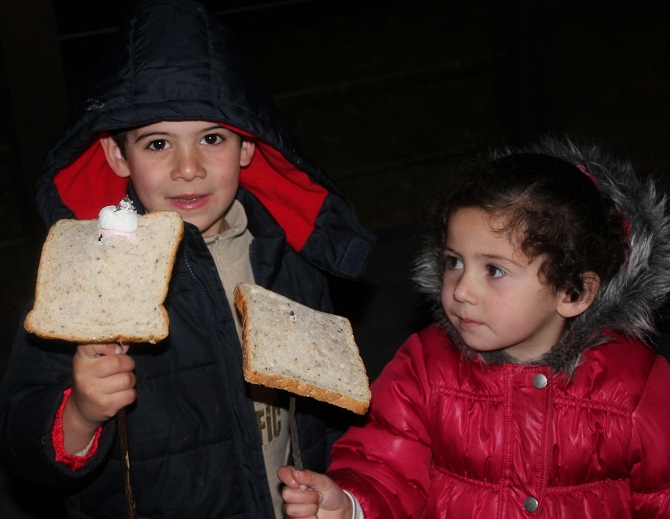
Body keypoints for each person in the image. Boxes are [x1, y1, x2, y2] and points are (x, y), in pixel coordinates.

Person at [0, 1, 375, 517]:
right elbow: (19, 437)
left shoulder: (290, 260)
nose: (188, 168)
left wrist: (338, 490)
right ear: (117, 155)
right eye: (157, 143)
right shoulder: (88, 275)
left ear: (247, 146)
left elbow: (330, 418)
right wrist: (80, 413)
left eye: (211, 138)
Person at [278, 136, 670, 518]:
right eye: (454, 261)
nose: (462, 290)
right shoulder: (425, 366)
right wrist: (351, 505)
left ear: (573, 292)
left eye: (494, 270)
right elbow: (383, 464)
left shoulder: (636, 385)